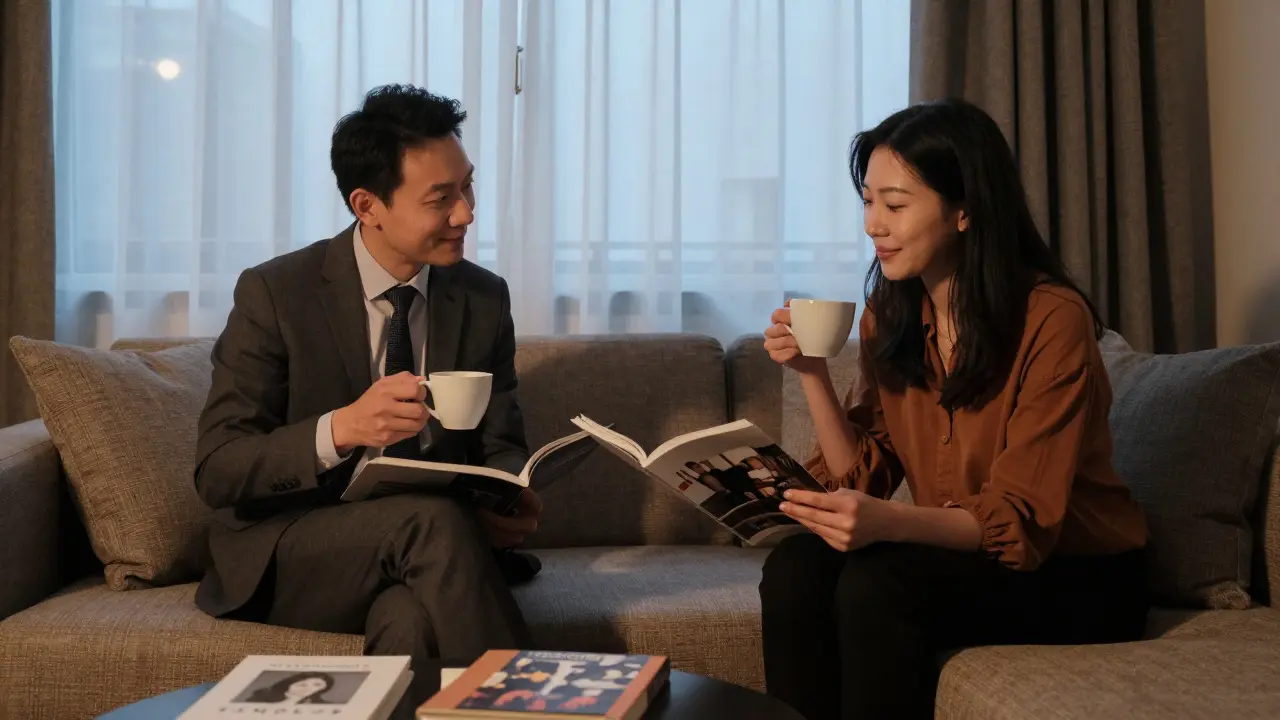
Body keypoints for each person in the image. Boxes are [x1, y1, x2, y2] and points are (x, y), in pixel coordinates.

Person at [758, 98, 1150, 720]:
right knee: (794, 567)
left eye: (895, 204)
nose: (872, 225)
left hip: (1081, 573)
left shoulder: (1051, 319)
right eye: (867, 201)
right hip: (971, 554)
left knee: (877, 584)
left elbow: (1019, 520)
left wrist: (886, 523)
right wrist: (810, 375)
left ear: (965, 208)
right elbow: (868, 470)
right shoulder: (892, 314)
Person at [193, 85, 541, 679]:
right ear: (367, 205)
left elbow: (501, 444)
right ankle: (538, 705)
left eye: (468, 186)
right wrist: (342, 429)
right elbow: (219, 467)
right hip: (294, 545)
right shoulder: (277, 294)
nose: (467, 213)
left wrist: (510, 496)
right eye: (442, 198)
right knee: (428, 522)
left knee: (409, 620)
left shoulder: (483, 297)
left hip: (431, 552)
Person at [245, 672, 336, 704]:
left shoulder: (321, 706)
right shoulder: (260, 697)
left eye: (317, 685)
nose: (307, 685)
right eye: (304, 681)